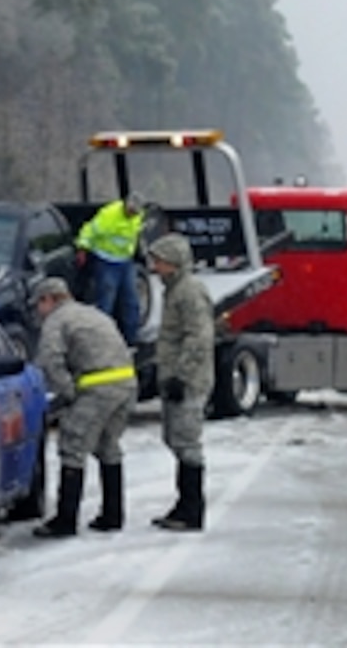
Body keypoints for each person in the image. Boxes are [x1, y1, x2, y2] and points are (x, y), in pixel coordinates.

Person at [30, 277, 138, 538]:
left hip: (97, 389)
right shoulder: (93, 313)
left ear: (49, 299)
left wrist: (66, 393)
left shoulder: (57, 321)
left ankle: (65, 521)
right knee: (107, 446)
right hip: (126, 385)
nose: (38, 312)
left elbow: (50, 361)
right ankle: (113, 515)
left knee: (72, 446)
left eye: (38, 305)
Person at [147, 233, 213, 532]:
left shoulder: (189, 292)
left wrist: (181, 375)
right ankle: (183, 504)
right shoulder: (174, 291)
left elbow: (198, 337)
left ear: (173, 263)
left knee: (187, 442)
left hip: (188, 381)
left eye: (159, 261)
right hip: (174, 377)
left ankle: (191, 509)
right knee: (174, 438)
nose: (155, 267)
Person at [74, 191, 146, 346]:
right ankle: (102, 340)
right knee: (106, 301)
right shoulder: (108, 215)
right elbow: (89, 231)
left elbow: (135, 236)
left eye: (135, 213)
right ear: (125, 205)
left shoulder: (138, 216)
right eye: (130, 211)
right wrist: (82, 248)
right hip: (107, 262)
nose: (132, 215)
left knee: (131, 302)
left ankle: (130, 338)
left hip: (125, 261)